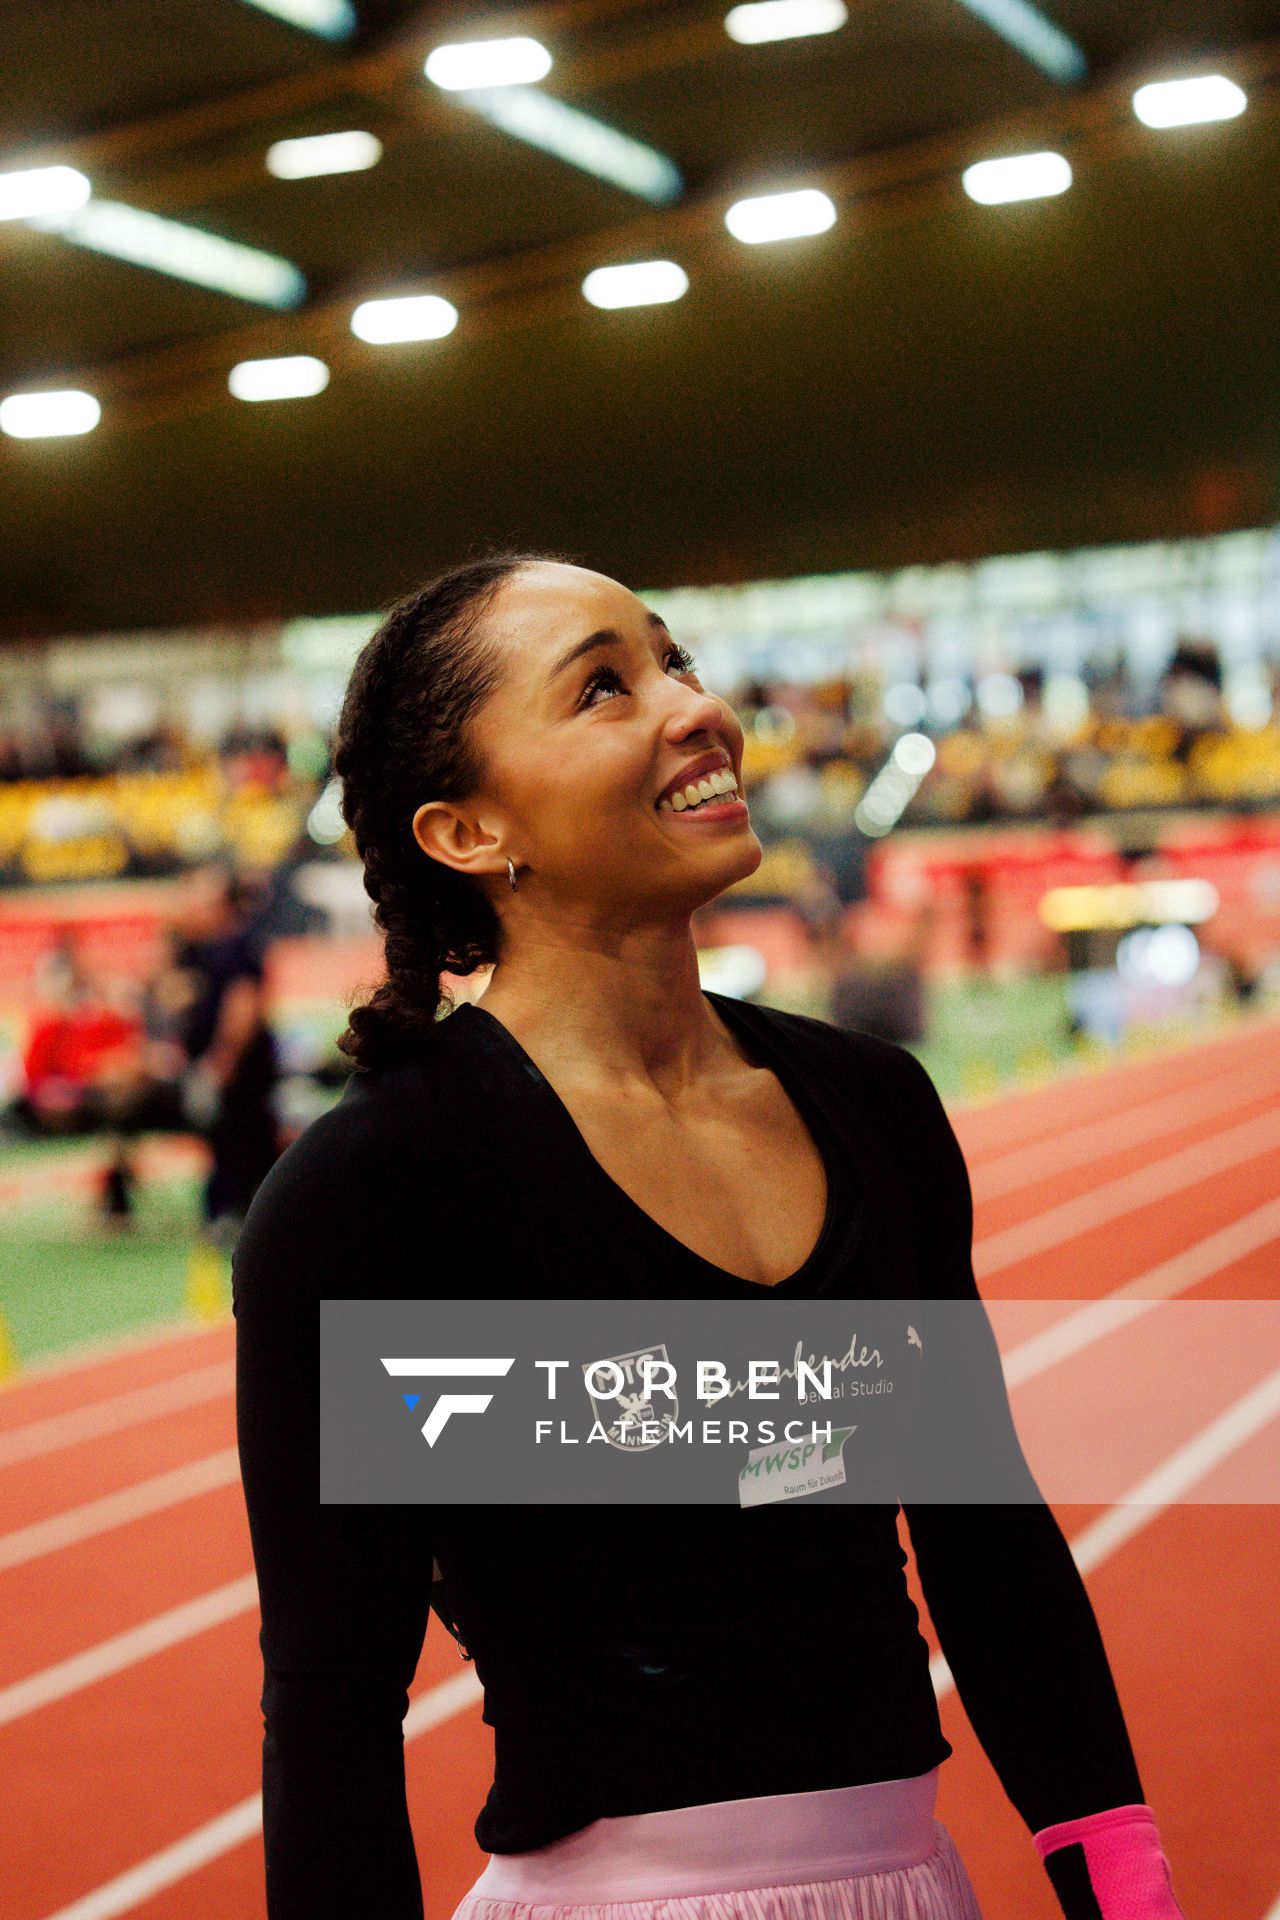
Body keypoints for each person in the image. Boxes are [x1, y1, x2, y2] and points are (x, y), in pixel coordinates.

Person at [233, 553, 1190, 1920]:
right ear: (466, 832)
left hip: (920, 1887)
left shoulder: (872, 1104)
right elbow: (331, 1700)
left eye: (674, 660)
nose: (695, 707)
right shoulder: (376, 1191)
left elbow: (991, 1541)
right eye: (605, 688)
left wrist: (1124, 1888)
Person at [174, 864, 280, 1241]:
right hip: (221, 1064)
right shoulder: (196, 949)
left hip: (240, 1068)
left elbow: (243, 1004)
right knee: (236, 1141)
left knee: (241, 1139)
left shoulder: (237, 945)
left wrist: (224, 1058)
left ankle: (238, 1213)